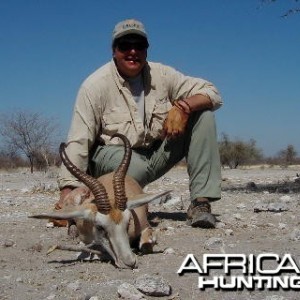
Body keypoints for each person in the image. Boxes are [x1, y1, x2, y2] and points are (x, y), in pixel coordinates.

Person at [57, 19, 223, 228]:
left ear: (146, 50)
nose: (133, 51)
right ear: (114, 50)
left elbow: (212, 93)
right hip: (115, 158)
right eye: (125, 46)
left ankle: (200, 204)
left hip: (154, 154)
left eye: (139, 46)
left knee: (203, 115)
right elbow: (78, 140)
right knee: (134, 165)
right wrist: (67, 192)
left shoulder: (163, 74)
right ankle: (112, 202)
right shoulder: (94, 86)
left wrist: (183, 107)